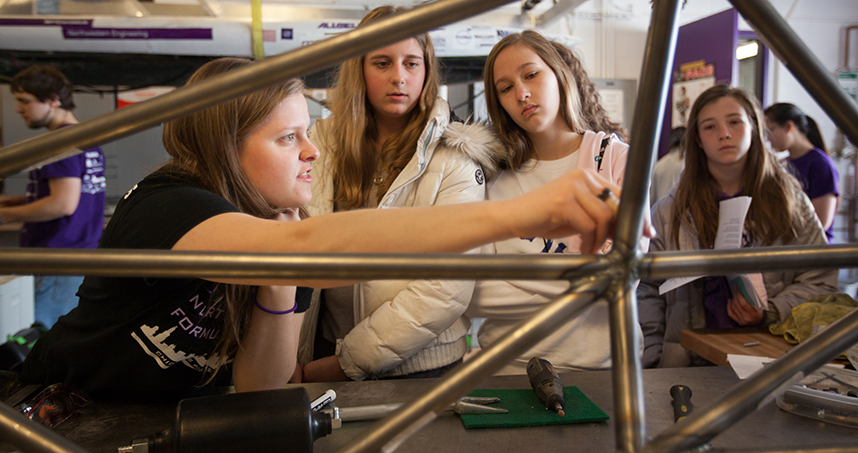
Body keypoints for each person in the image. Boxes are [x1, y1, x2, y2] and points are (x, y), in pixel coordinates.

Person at [21, 57, 621, 400]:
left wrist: (280, 288)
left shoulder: (283, 231)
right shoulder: (170, 202)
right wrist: (523, 212)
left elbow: (261, 388)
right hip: (61, 411)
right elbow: (301, 252)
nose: (311, 152)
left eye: (308, 131)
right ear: (227, 148)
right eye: (288, 138)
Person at [298, 5, 503, 382]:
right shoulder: (320, 144)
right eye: (381, 63)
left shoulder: (455, 156)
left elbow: (447, 285)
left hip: (421, 366)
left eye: (411, 63)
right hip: (323, 348)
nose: (399, 78)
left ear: (426, 72)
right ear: (358, 68)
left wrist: (348, 362)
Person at [466, 30, 638, 375]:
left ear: (559, 74)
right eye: (505, 88)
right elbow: (472, 293)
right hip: (504, 368)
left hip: (601, 369)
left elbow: (622, 275)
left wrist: (518, 279)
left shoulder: (618, 160)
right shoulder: (491, 173)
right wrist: (580, 277)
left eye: (531, 74)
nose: (522, 93)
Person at [638, 86, 838, 368]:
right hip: (686, 365)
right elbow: (644, 288)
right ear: (696, 139)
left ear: (755, 127)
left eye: (735, 121)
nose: (724, 134)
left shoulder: (791, 203)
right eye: (710, 126)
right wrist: (654, 358)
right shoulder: (670, 211)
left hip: (770, 361)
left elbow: (820, 280)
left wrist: (770, 312)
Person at [0, 65, 106, 328]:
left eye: (24, 101)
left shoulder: (59, 144)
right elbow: (71, 194)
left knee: (39, 344)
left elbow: (62, 204)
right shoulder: (86, 138)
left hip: (56, 261)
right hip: (76, 260)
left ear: (53, 100)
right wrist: (18, 201)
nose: (18, 109)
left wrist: (3, 215)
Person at [765, 103, 839, 243]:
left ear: (788, 127)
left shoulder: (820, 164)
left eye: (770, 131)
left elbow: (822, 221)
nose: (768, 139)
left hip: (812, 250)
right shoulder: (783, 164)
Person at [650, 126, 686, 207]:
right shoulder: (686, 164)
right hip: (679, 212)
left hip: (659, 213)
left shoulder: (659, 165)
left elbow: (651, 199)